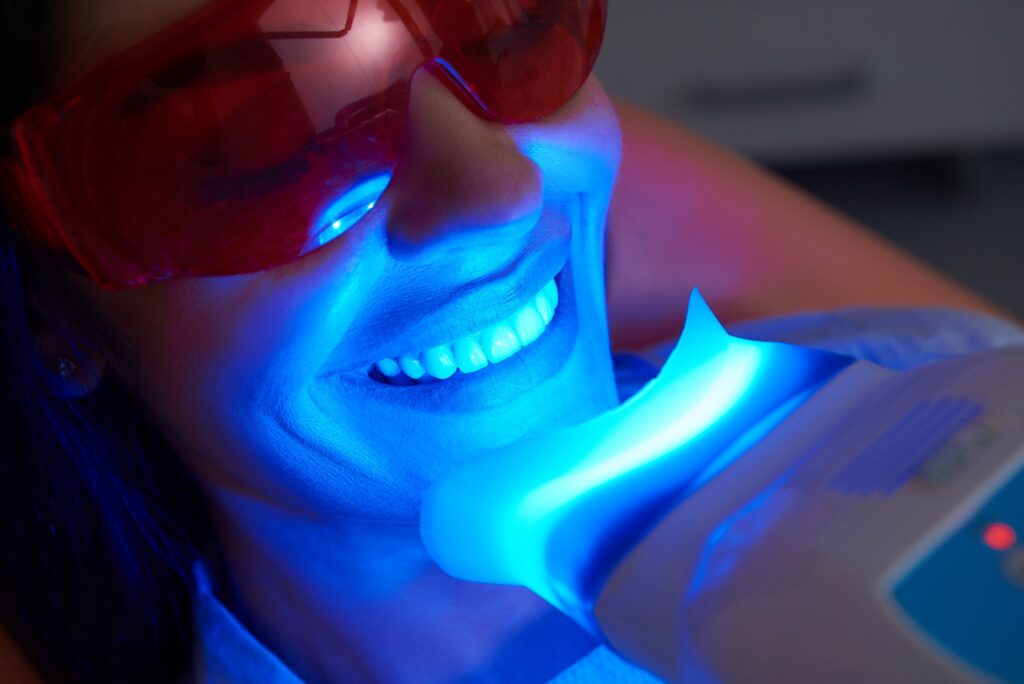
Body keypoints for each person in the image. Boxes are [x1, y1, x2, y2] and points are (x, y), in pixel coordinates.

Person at [0, 1, 1019, 682]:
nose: (499, 190)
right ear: (47, 310)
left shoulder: (935, 376)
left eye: (505, 27)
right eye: (262, 146)